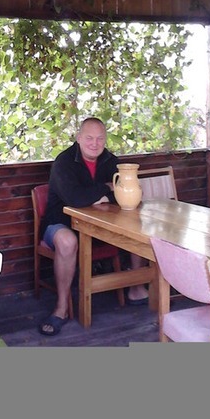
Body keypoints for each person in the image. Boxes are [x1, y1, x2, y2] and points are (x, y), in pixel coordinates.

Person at [38, 117, 148, 336]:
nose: (95, 143)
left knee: (136, 226)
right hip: (60, 222)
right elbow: (75, 198)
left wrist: (100, 195)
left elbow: (128, 193)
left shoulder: (111, 161)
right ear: (79, 138)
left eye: (100, 138)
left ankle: (136, 287)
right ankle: (61, 308)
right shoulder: (64, 162)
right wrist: (106, 188)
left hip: (99, 223)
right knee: (67, 242)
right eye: (89, 138)